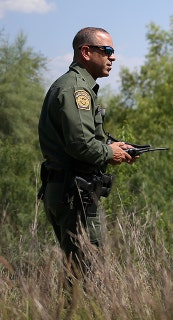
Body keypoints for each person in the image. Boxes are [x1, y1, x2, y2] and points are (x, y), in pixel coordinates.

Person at [38, 27, 134, 279]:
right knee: (88, 277)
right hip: (73, 195)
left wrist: (114, 147)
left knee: (78, 274)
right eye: (107, 51)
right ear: (86, 52)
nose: (112, 57)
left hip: (68, 190)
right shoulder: (76, 90)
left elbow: (84, 139)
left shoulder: (76, 87)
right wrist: (108, 153)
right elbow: (80, 144)